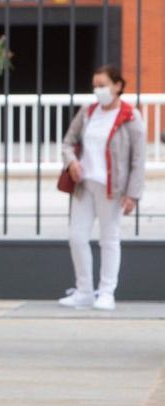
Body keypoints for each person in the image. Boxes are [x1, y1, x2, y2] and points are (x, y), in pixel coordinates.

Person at [59, 64, 146, 311]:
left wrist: (133, 194)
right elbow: (68, 141)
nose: (98, 90)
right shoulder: (88, 112)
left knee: (109, 239)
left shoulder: (130, 117)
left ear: (118, 86)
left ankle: (106, 291)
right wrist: (72, 161)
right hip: (85, 185)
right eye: (95, 86)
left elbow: (138, 160)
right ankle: (84, 290)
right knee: (77, 237)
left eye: (103, 85)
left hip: (113, 188)